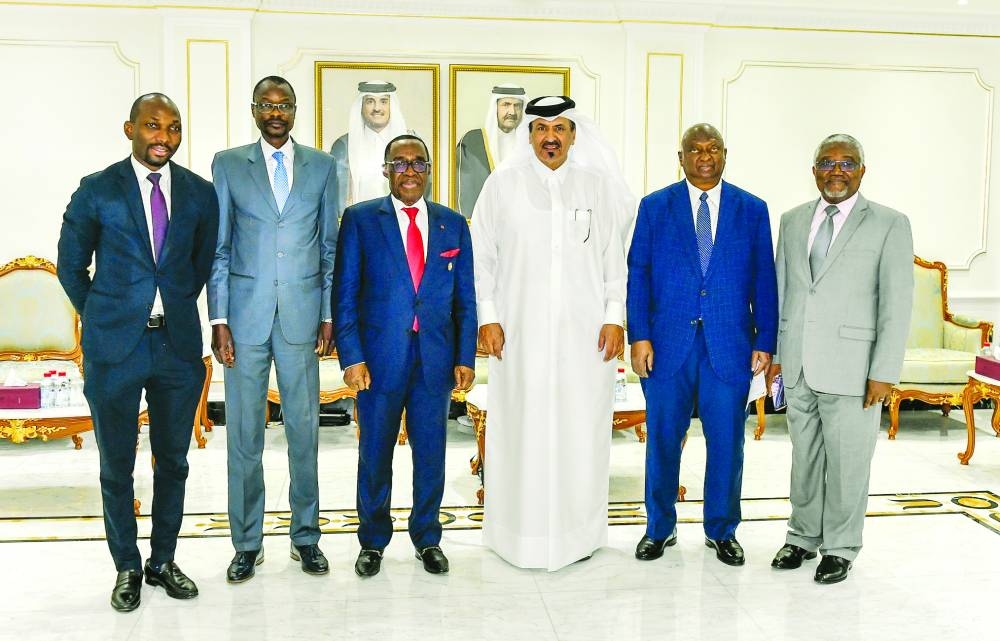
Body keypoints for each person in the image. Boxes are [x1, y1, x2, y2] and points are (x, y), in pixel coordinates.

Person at [57, 93, 219, 611]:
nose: (163, 138)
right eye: (153, 126)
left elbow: (199, 264)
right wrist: (104, 314)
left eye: (173, 129)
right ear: (130, 129)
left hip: (176, 346)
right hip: (115, 350)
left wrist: (169, 306)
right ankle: (126, 565)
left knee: (173, 461)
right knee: (116, 465)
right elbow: (70, 265)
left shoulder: (199, 193)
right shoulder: (97, 190)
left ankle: (163, 560)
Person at [471, 95, 634, 571]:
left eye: (560, 129)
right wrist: (489, 316)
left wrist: (614, 315)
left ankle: (578, 534)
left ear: (573, 135)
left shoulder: (595, 186)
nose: (550, 138)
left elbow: (612, 259)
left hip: (586, 338)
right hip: (519, 336)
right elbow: (483, 256)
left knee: (580, 429)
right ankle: (517, 536)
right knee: (521, 429)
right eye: (542, 130)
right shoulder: (502, 185)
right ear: (529, 136)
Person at [627, 123, 778, 567]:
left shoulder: (752, 209)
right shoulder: (655, 207)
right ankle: (659, 528)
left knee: (728, 442)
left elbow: (764, 280)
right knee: (662, 440)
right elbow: (638, 275)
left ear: (725, 155)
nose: (705, 156)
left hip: (729, 347)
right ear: (681, 157)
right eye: (695, 149)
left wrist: (765, 340)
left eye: (713, 149)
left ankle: (722, 530)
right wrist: (639, 336)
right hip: (667, 346)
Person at [207, 76, 338, 583]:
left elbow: (329, 247)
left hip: (302, 318)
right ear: (254, 110)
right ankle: (246, 542)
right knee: (244, 435)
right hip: (244, 320)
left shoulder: (322, 167)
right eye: (266, 104)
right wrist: (219, 320)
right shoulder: (228, 164)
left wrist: (327, 314)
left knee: (304, 432)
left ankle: (306, 537)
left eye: (284, 105)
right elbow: (219, 247)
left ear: (295, 111)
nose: (275, 112)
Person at [766, 134, 913, 584]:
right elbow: (782, 291)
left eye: (847, 163)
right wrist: (775, 355)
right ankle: (802, 537)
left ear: (862, 170)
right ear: (813, 170)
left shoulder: (889, 223)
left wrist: (884, 371)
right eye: (827, 163)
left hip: (855, 369)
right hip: (798, 364)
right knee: (804, 458)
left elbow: (896, 302)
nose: (837, 171)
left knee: (849, 462)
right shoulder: (792, 221)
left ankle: (841, 547)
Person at [333, 134, 477, 578]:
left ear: (429, 170)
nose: (410, 171)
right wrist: (352, 355)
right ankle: (372, 541)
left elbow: (465, 299)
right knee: (375, 452)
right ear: (385, 171)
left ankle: (427, 537)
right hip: (377, 361)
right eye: (399, 163)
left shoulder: (452, 224)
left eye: (418, 162)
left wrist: (465, 355)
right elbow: (345, 294)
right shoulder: (359, 220)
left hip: (434, 359)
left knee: (431, 452)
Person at [330, 81, 431, 215]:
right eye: (370, 101)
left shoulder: (413, 144)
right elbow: (336, 200)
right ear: (361, 106)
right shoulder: (343, 146)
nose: (377, 108)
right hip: (360, 225)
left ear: (392, 105)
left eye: (383, 101)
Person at [455, 84, 525, 217]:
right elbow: (462, 195)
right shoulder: (472, 142)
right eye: (506, 104)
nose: (512, 112)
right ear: (495, 108)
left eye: (517, 106)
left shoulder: (530, 144)